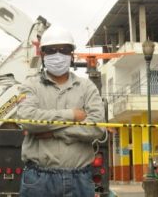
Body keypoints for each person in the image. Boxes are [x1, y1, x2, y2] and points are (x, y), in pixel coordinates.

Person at [16, 25, 106, 197]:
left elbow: (97, 127)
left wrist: (55, 132)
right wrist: (71, 115)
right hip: (39, 179)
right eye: (51, 50)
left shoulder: (87, 87)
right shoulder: (30, 85)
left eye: (64, 50)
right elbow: (27, 119)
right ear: (42, 54)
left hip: (79, 178)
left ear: (71, 55)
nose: (58, 55)